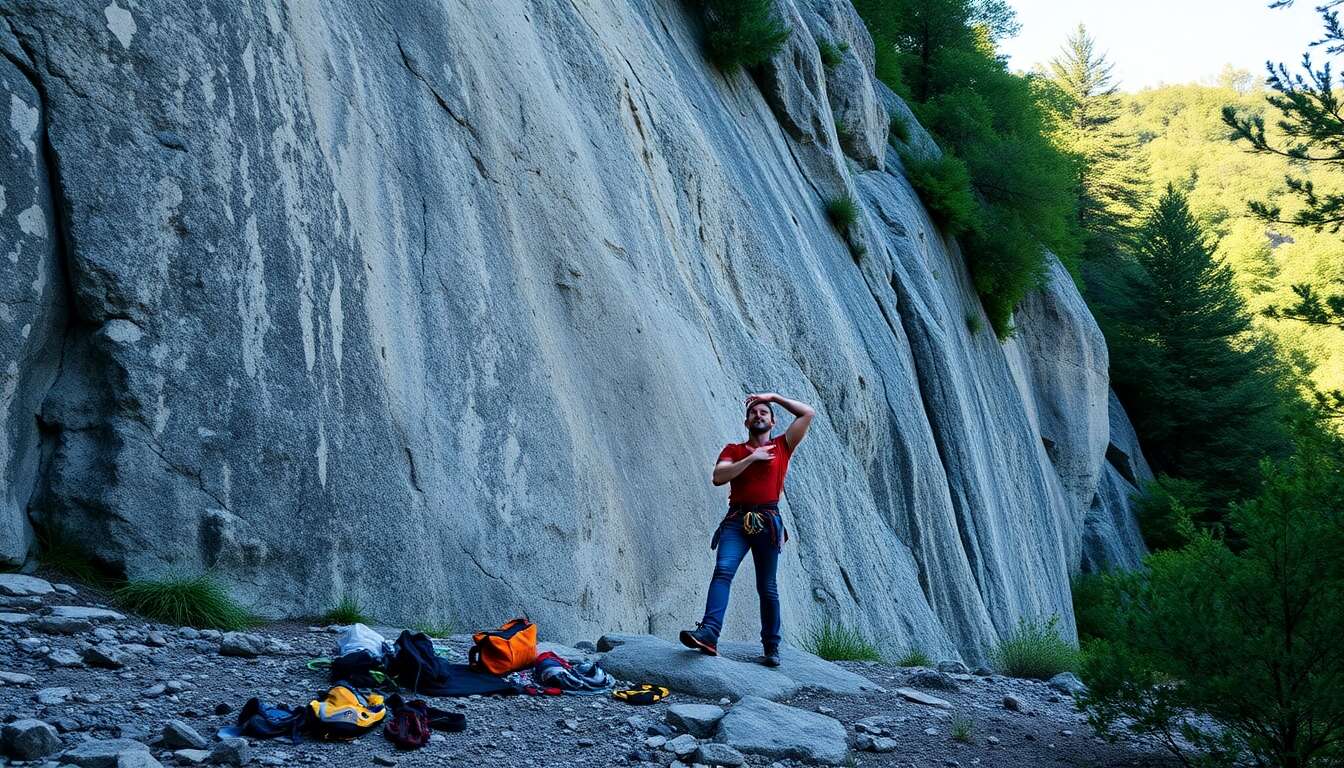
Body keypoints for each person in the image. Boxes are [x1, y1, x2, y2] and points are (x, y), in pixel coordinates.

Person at [679, 392, 814, 667]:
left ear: (773, 421)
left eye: (764, 413)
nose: (759, 415)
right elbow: (719, 476)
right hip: (737, 520)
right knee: (723, 571)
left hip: (767, 520)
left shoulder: (783, 445)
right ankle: (709, 634)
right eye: (754, 413)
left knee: (767, 587)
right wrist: (753, 458)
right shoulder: (734, 450)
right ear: (746, 422)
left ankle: (771, 647)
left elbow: (807, 413)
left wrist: (773, 397)